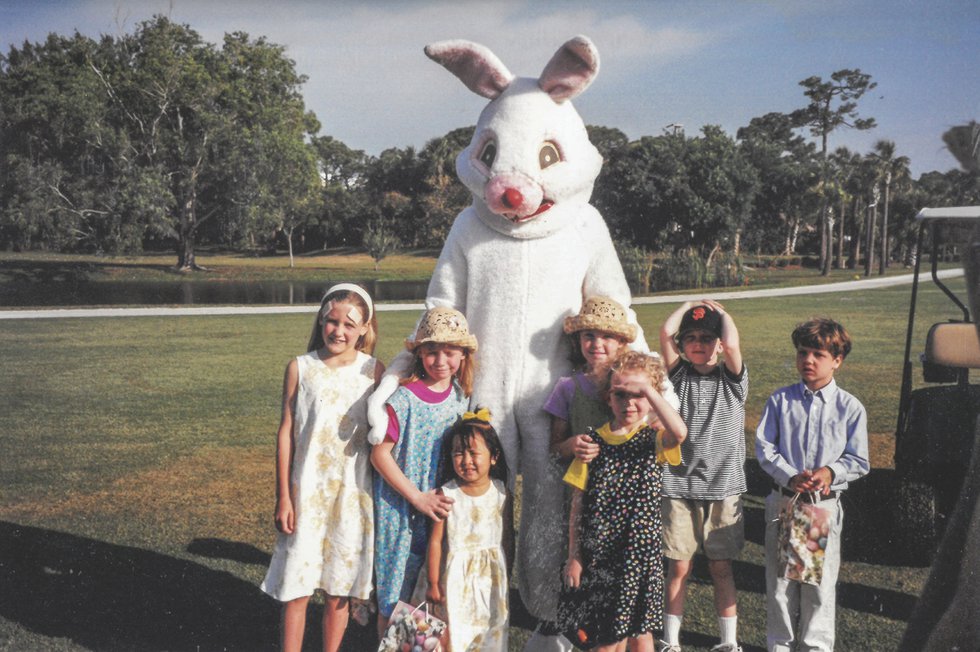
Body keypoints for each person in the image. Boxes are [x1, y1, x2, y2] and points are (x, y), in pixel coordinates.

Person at [260, 283, 384, 652]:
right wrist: (284, 496)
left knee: (339, 589)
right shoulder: (301, 367)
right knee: (296, 589)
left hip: (351, 495)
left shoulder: (374, 371)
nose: (339, 331)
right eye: (331, 321)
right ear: (321, 320)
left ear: (364, 328)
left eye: (349, 324)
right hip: (306, 494)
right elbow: (286, 433)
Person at [560, 350, 687, 652]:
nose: (629, 403)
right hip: (601, 556)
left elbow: (680, 432)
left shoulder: (654, 439)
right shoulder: (593, 443)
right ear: (608, 398)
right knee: (604, 640)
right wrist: (574, 556)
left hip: (641, 557)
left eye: (638, 395)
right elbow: (577, 504)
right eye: (621, 395)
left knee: (640, 633)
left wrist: (650, 392)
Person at [755, 318, 870, 652]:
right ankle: (780, 646)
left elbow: (858, 460)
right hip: (785, 502)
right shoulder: (781, 401)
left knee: (816, 587)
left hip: (819, 507)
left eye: (818, 354)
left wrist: (829, 473)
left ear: (837, 360)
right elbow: (765, 449)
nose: (808, 360)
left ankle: (815, 648)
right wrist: (789, 474)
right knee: (780, 587)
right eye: (802, 352)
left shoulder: (849, 408)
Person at [371, 307, 476, 632]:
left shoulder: (461, 397)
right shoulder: (403, 399)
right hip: (401, 510)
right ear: (419, 354)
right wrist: (416, 498)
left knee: (426, 595)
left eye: (449, 352)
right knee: (394, 598)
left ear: (462, 355)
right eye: (431, 351)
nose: (440, 360)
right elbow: (380, 455)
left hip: (439, 511)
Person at [657, 300, 748, 652]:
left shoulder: (733, 379)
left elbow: (735, 345)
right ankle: (670, 641)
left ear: (720, 343)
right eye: (691, 337)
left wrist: (724, 315)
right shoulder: (677, 376)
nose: (698, 343)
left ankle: (728, 642)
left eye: (707, 338)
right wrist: (689, 305)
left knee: (721, 568)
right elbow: (666, 333)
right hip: (679, 486)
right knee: (678, 568)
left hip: (723, 489)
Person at [423, 409, 514, 652]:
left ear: (493, 456)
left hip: (491, 580)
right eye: (458, 453)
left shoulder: (502, 493)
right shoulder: (447, 493)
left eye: (474, 453)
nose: (466, 460)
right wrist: (433, 583)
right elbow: (435, 542)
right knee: (454, 634)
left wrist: (507, 573)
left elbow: (507, 540)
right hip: (454, 579)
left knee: (490, 633)